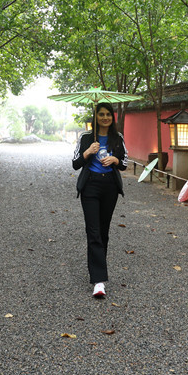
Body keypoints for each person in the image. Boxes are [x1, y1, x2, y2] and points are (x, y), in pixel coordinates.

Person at [72, 102, 128, 298]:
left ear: (112, 117)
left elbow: (125, 163)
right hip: (90, 186)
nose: (105, 117)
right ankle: (98, 281)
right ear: (95, 117)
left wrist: (115, 161)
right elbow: (75, 163)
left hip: (110, 187)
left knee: (103, 232)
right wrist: (88, 152)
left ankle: (98, 269)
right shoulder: (87, 137)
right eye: (101, 114)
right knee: (93, 231)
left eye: (108, 114)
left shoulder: (117, 137)